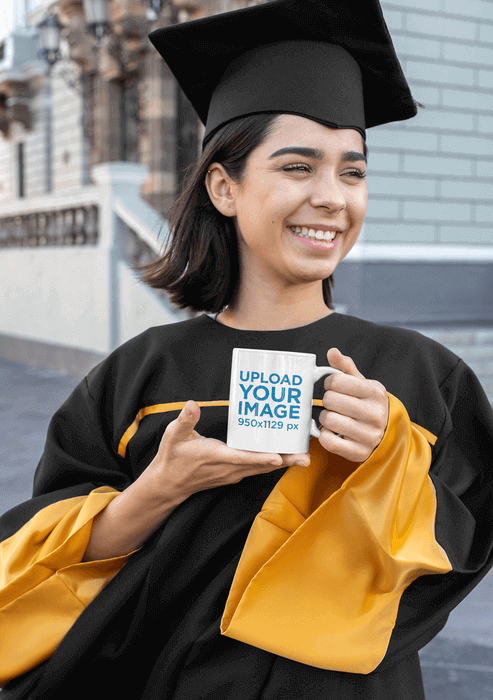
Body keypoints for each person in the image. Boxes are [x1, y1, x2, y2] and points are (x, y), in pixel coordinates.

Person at [1, 1, 493, 698]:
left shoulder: (416, 376)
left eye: (351, 172)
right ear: (224, 187)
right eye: (298, 167)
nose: (331, 197)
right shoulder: (141, 373)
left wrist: (389, 461)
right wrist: (154, 492)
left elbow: (454, 553)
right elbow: (34, 570)